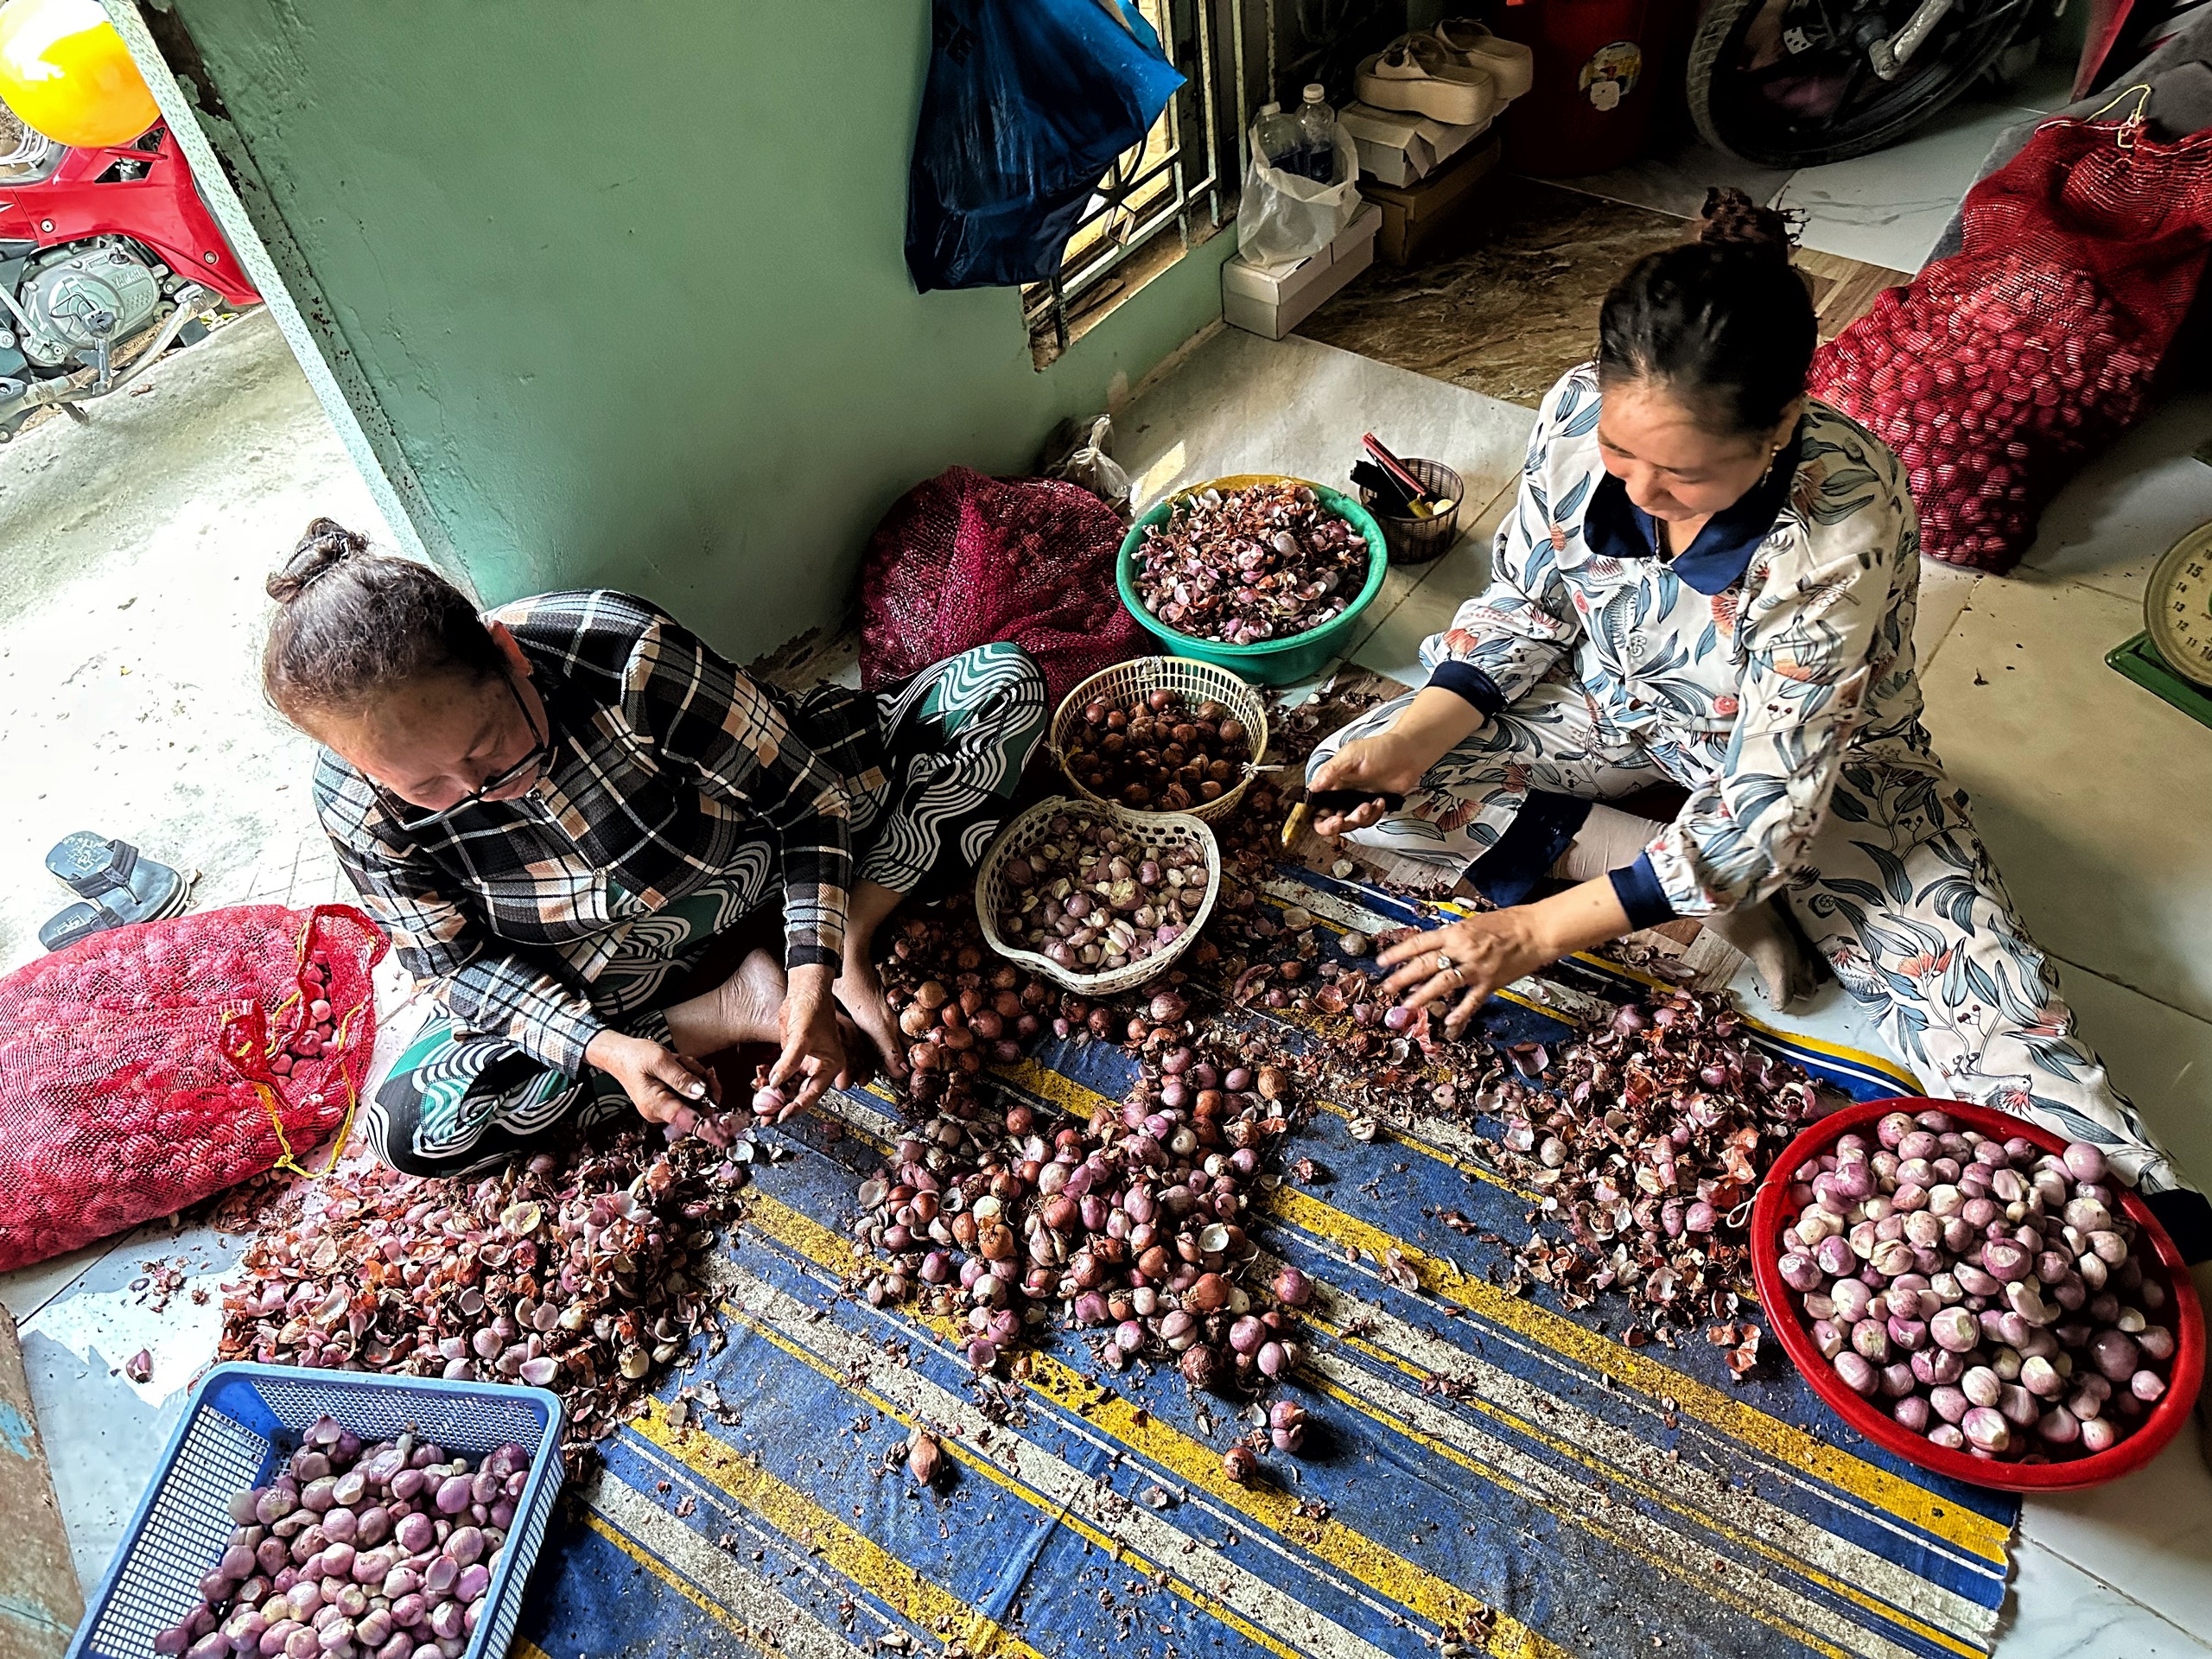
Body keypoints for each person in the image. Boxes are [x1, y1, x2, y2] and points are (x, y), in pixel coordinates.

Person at [1306, 189, 2212, 1275]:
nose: (1636, 491)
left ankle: (2174, 1247)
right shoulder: (1573, 418)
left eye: (1678, 475)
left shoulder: (1842, 521)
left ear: (1778, 428)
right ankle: (1681, 893)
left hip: (1823, 777)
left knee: (1985, 1011)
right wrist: (1418, 734)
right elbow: (1529, 606)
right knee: (1349, 783)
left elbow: (1765, 812)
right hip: (1614, 703)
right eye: (1617, 452)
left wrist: (1536, 937)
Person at [261, 520, 1046, 1177]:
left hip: (751, 855)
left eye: (489, 751)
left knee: (1002, 689)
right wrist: (602, 1048)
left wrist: (821, 961)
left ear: (508, 654)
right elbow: (458, 965)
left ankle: (854, 937)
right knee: (413, 1127)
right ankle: (724, 1010)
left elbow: (804, 800)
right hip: (618, 963)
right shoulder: (355, 798)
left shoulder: (624, 656)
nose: (479, 792)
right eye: (424, 788)